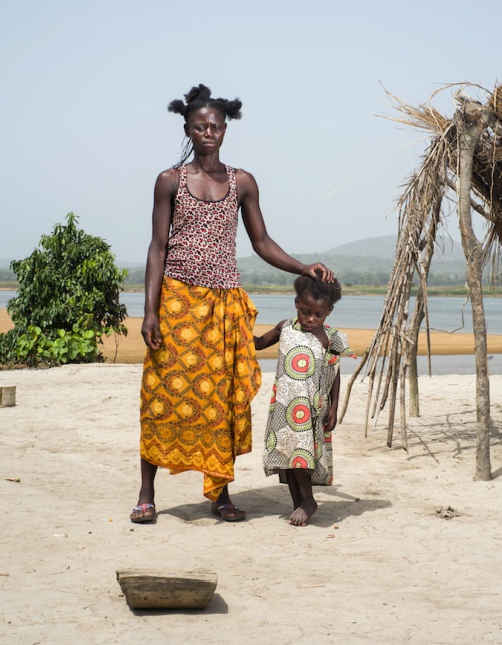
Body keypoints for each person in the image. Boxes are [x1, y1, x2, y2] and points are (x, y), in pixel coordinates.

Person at [131, 84, 333, 524]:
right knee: (161, 394)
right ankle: (147, 492)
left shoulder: (243, 182)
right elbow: (157, 247)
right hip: (178, 303)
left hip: (224, 306)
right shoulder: (169, 180)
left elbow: (261, 242)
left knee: (221, 399)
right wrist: (149, 310)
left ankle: (220, 494)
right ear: (188, 128)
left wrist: (304, 266)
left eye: (216, 127)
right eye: (200, 126)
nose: (208, 133)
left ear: (226, 131)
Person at [254, 275, 355, 526]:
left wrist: (333, 407)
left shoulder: (330, 337)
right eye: (305, 311)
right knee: (287, 455)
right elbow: (257, 344)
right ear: (296, 303)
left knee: (301, 455)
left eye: (318, 314)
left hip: (310, 408)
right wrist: (239, 324)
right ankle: (298, 503)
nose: (311, 319)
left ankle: (309, 501)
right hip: (283, 406)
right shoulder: (284, 327)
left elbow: (335, 374)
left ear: (329, 311)